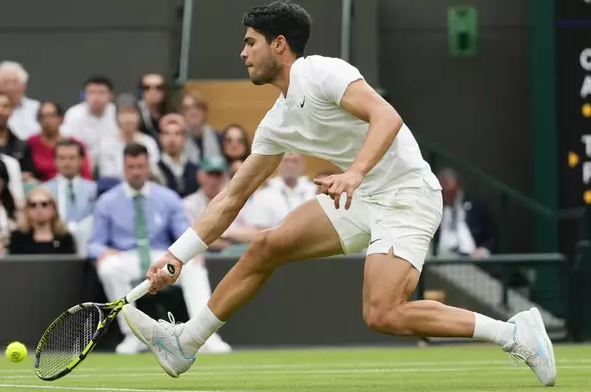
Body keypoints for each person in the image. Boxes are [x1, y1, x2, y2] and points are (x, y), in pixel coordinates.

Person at [123, 0, 556, 386]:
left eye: (250, 42)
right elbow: (231, 198)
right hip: (361, 195)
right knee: (267, 245)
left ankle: (514, 334)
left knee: (383, 314)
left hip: (406, 195)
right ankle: (186, 343)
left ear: (278, 46)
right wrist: (178, 254)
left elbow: (386, 117)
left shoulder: (324, 72)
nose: (242, 52)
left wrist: (354, 172)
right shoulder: (276, 122)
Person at [88, 143, 230, 354]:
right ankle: (132, 336)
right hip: (125, 257)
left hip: (161, 256)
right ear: (124, 168)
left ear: (148, 167)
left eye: (140, 166)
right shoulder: (107, 202)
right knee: (108, 267)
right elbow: (94, 243)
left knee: (194, 265)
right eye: (131, 167)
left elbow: (185, 234)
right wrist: (102, 252)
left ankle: (205, 335)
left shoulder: (168, 198)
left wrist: (192, 254)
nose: (136, 172)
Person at [8, 187, 76, 255]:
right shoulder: (18, 238)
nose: (39, 209)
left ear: (54, 208)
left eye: (44, 204)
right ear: (27, 210)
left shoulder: (65, 238)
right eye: (33, 205)